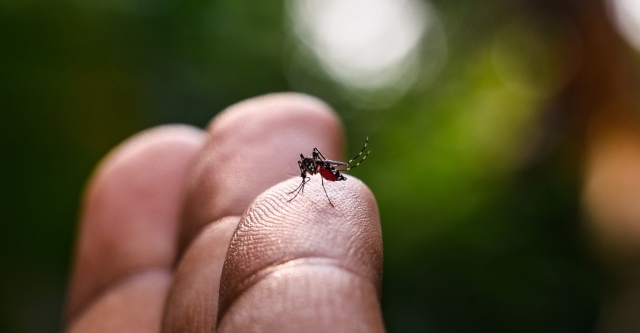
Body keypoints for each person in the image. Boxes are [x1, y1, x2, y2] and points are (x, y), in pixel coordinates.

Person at [64, 93, 385, 332]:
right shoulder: (308, 166)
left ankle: (345, 168)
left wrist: (322, 177)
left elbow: (314, 167)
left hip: (330, 177)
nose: (305, 170)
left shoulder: (316, 169)